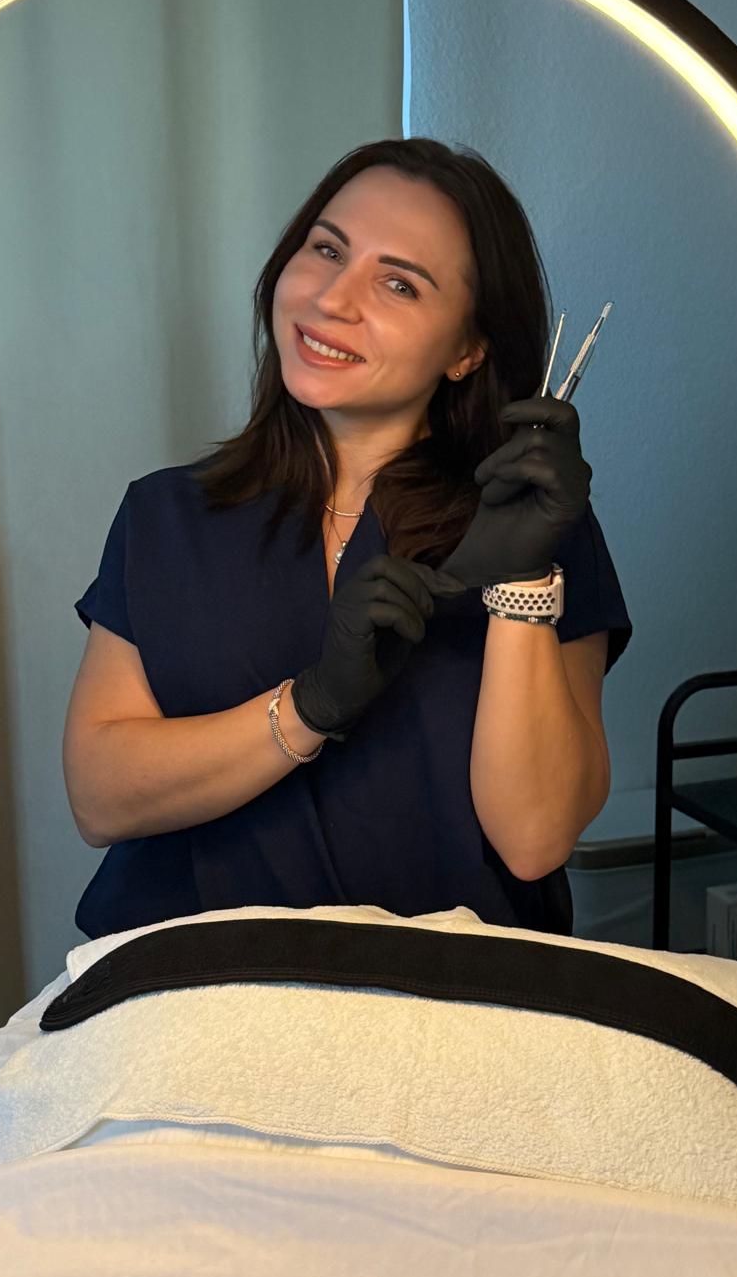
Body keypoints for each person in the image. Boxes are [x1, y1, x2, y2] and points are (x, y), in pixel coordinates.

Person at [62, 136, 632, 941]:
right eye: (327, 249)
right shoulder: (166, 517)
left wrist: (521, 583)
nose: (333, 298)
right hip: (199, 989)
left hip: (449, 994)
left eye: (399, 283)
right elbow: (100, 797)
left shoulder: (532, 527)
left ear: (468, 349)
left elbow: (535, 839)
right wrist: (310, 707)